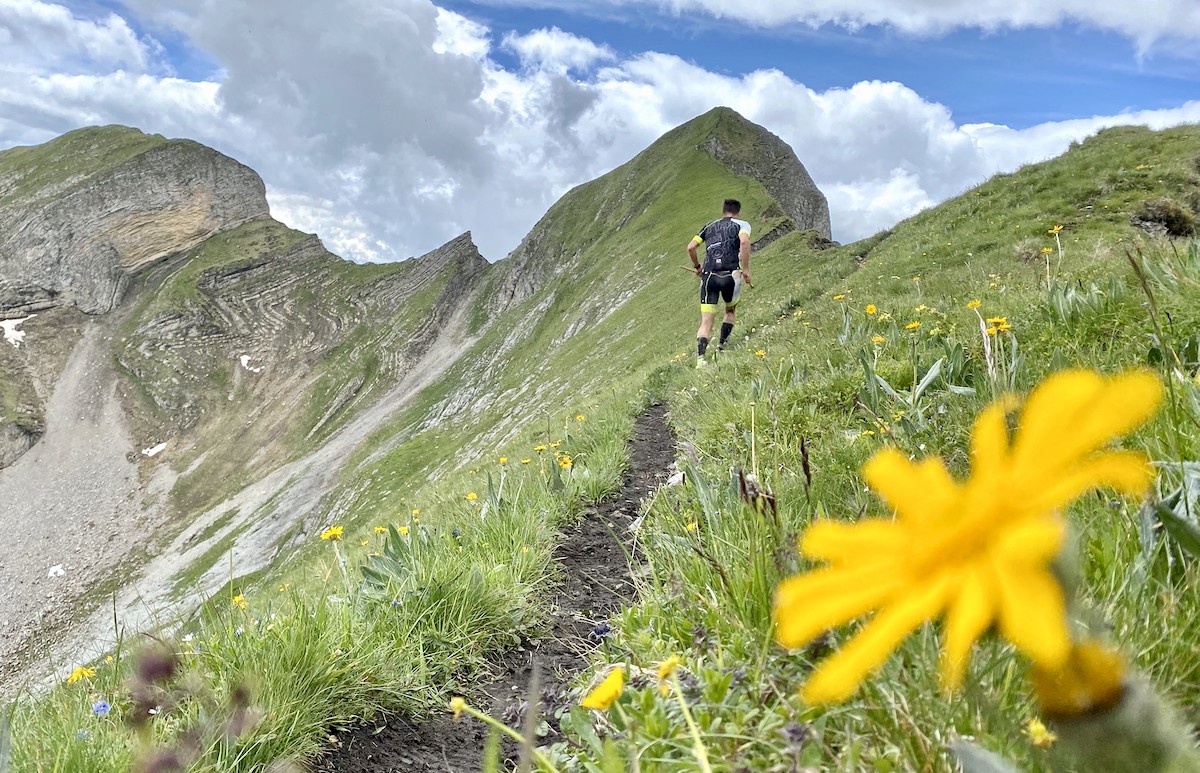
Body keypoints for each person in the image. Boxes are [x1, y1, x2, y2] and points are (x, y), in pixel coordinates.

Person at [688, 198, 752, 361]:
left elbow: (691, 247)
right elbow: (744, 243)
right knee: (730, 311)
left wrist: (697, 267)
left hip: (709, 276)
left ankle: (701, 359)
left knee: (706, 321)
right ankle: (722, 346)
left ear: (723, 211)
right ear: (738, 212)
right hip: (731, 274)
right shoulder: (742, 225)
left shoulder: (709, 226)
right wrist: (746, 269)